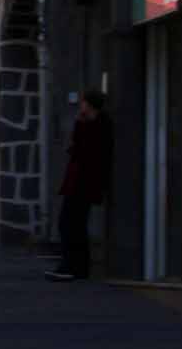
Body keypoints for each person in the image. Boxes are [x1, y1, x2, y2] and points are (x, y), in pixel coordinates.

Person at [48, 90, 114, 283]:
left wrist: (79, 124)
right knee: (73, 224)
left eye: (83, 102)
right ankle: (78, 267)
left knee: (69, 223)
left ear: (90, 104)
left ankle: (71, 266)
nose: (80, 106)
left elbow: (83, 149)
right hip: (79, 181)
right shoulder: (93, 124)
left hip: (84, 182)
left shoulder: (98, 125)